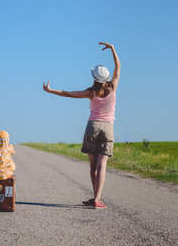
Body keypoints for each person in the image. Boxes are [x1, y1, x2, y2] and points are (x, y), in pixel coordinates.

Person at [42, 42, 120, 209]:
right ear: (106, 78)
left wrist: (50, 90)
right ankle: (98, 199)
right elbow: (118, 66)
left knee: (93, 166)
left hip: (92, 127)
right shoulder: (113, 87)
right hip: (108, 128)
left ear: (94, 78)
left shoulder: (91, 92)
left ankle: (95, 198)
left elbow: (69, 94)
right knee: (102, 165)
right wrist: (112, 49)